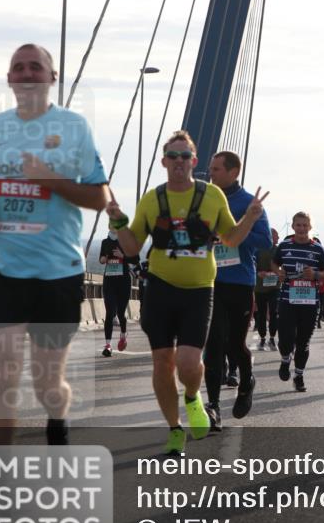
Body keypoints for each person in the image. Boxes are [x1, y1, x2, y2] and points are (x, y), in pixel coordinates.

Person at [0, 44, 109, 523]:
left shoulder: (73, 129)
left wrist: (49, 179)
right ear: (9, 78)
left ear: (52, 77)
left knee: (48, 383)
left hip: (58, 273)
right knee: (2, 377)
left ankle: (57, 420)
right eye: (20, 66)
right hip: (2, 268)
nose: (27, 73)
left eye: (36, 66)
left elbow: (99, 195)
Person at [106, 131, 267, 456]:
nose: (178, 162)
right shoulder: (153, 199)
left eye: (185, 157)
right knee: (163, 363)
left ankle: (193, 397)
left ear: (194, 162)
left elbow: (232, 239)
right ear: (164, 161)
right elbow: (132, 247)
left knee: (189, 362)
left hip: (199, 291)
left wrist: (250, 217)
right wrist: (119, 221)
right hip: (161, 292)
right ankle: (175, 429)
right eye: (172, 157)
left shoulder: (212, 197)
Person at [204, 150, 272, 431]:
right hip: (209, 280)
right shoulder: (205, 199)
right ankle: (214, 407)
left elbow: (265, 240)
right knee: (214, 345)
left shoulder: (248, 202)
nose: (211, 174)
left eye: (217, 169)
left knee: (235, 345)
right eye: (210, 169)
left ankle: (247, 383)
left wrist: (238, 230)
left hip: (240, 282)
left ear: (234, 172)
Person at [273, 212, 324, 393]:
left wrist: (315, 275)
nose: (302, 229)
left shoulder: (318, 249)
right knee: (285, 339)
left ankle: (299, 376)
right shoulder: (284, 246)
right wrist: (278, 272)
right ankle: (284, 359)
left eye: (305, 225)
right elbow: (274, 264)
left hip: (309, 302)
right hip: (287, 299)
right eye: (298, 225)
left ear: (310, 227)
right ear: (293, 227)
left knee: (303, 342)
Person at [99, 226, 136, 356]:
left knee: (121, 313)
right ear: (109, 226)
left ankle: (123, 335)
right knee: (110, 312)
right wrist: (104, 259)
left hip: (123, 282)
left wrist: (123, 256)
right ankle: (108, 345)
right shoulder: (105, 242)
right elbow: (101, 259)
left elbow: (134, 259)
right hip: (109, 281)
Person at [255, 228, 280, 350]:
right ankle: (262, 338)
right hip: (260, 287)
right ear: (269, 236)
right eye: (276, 236)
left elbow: (283, 264)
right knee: (261, 314)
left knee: (274, 312)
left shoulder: (278, 250)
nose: (278, 238)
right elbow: (252, 263)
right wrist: (258, 272)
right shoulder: (258, 249)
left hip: (275, 287)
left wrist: (279, 272)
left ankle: (272, 338)